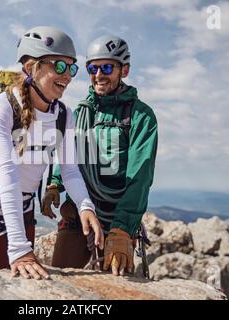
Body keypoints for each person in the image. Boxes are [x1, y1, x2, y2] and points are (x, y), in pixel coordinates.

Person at [0, 26, 104, 280]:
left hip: (23, 210)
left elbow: (70, 170)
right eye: (59, 66)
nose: (68, 75)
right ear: (31, 68)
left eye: (72, 68)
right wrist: (19, 248)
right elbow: (8, 172)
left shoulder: (63, 115)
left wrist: (86, 207)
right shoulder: (3, 106)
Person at [42, 35, 158, 276]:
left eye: (106, 67)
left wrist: (123, 229)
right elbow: (70, 154)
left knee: (116, 287)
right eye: (92, 68)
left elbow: (140, 177)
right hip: (78, 213)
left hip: (116, 219)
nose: (98, 75)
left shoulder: (140, 117)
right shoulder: (82, 111)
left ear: (123, 70)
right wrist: (55, 182)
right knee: (62, 279)